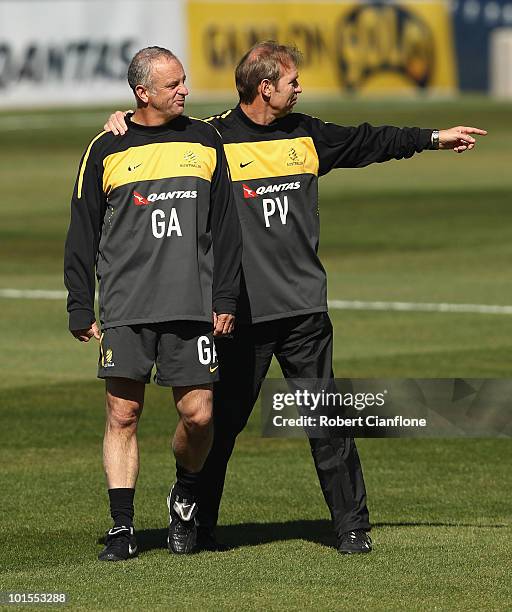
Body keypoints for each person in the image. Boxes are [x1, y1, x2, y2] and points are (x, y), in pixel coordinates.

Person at [105, 41, 486, 554]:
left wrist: (434, 137)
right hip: (237, 314)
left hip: (304, 308)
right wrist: (121, 122)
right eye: (292, 81)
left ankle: (351, 526)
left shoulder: (307, 134)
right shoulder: (211, 139)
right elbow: (155, 132)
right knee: (221, 423)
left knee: (327, 420)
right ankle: (195, 518)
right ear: (266, 87)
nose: (300, 88)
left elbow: (369, 141)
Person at [65, 46, 241, 561]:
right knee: (123, 414)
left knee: (200, 414)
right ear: (142, 93)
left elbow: (227, 228)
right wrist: (80, 303)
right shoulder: (106, 147)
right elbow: (82, 231)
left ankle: (185, 494)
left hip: (192, 303)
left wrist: (225, 294)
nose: (184, 91)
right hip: (127, 304)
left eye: (183, 82)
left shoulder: (206, 139)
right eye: (172, 85)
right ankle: (123, 529)